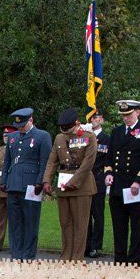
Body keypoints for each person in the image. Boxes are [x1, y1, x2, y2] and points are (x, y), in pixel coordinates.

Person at [104, 100, 140, 264]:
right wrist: (108, 173)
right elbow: (109, 157)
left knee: (137, 228)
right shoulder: (117, 132)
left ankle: (135, 261)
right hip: (118, 187)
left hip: (136, 187)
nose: (126, 118)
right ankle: (119, 260)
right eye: (123, 115)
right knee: (119, 227)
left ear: (138, 112)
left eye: (129, 115)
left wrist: (139, 181)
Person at [43, 108, 98, 261]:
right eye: (63, 129)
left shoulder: (89, 137)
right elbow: (52, 161)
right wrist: (46, 180)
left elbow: (88, 164)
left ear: (76, 124)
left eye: (68, 129)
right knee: (65, 223)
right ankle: (66, 255)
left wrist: (73, 182)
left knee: (80, 224)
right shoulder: (59, 138)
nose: (65, 132)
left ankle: (77, 258)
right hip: (63, 185)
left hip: (82, 186)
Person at [1, 108, 52, 260]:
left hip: (31, 186)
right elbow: (7, 162)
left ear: (31, 120)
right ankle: (16, 254)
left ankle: (28, 255)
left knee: (30, 222)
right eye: (18, 126)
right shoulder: (12, 137)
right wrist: (4, 181)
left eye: (23, 125)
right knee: (15, 223)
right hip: (13, 184)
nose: (20, 128)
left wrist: (40, 181)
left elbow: (45, 162)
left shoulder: (42, 136)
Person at [85, 110, 111, 257]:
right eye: (90, 118)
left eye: (95, 117)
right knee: (85, 215)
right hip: (85, 180)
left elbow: (108, 159)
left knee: (97, 214)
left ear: (101, 119)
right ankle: (86, 245)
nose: (93, 120)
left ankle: (96, 245)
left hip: (98, 179)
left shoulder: (106, 139)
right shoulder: (85, 136)